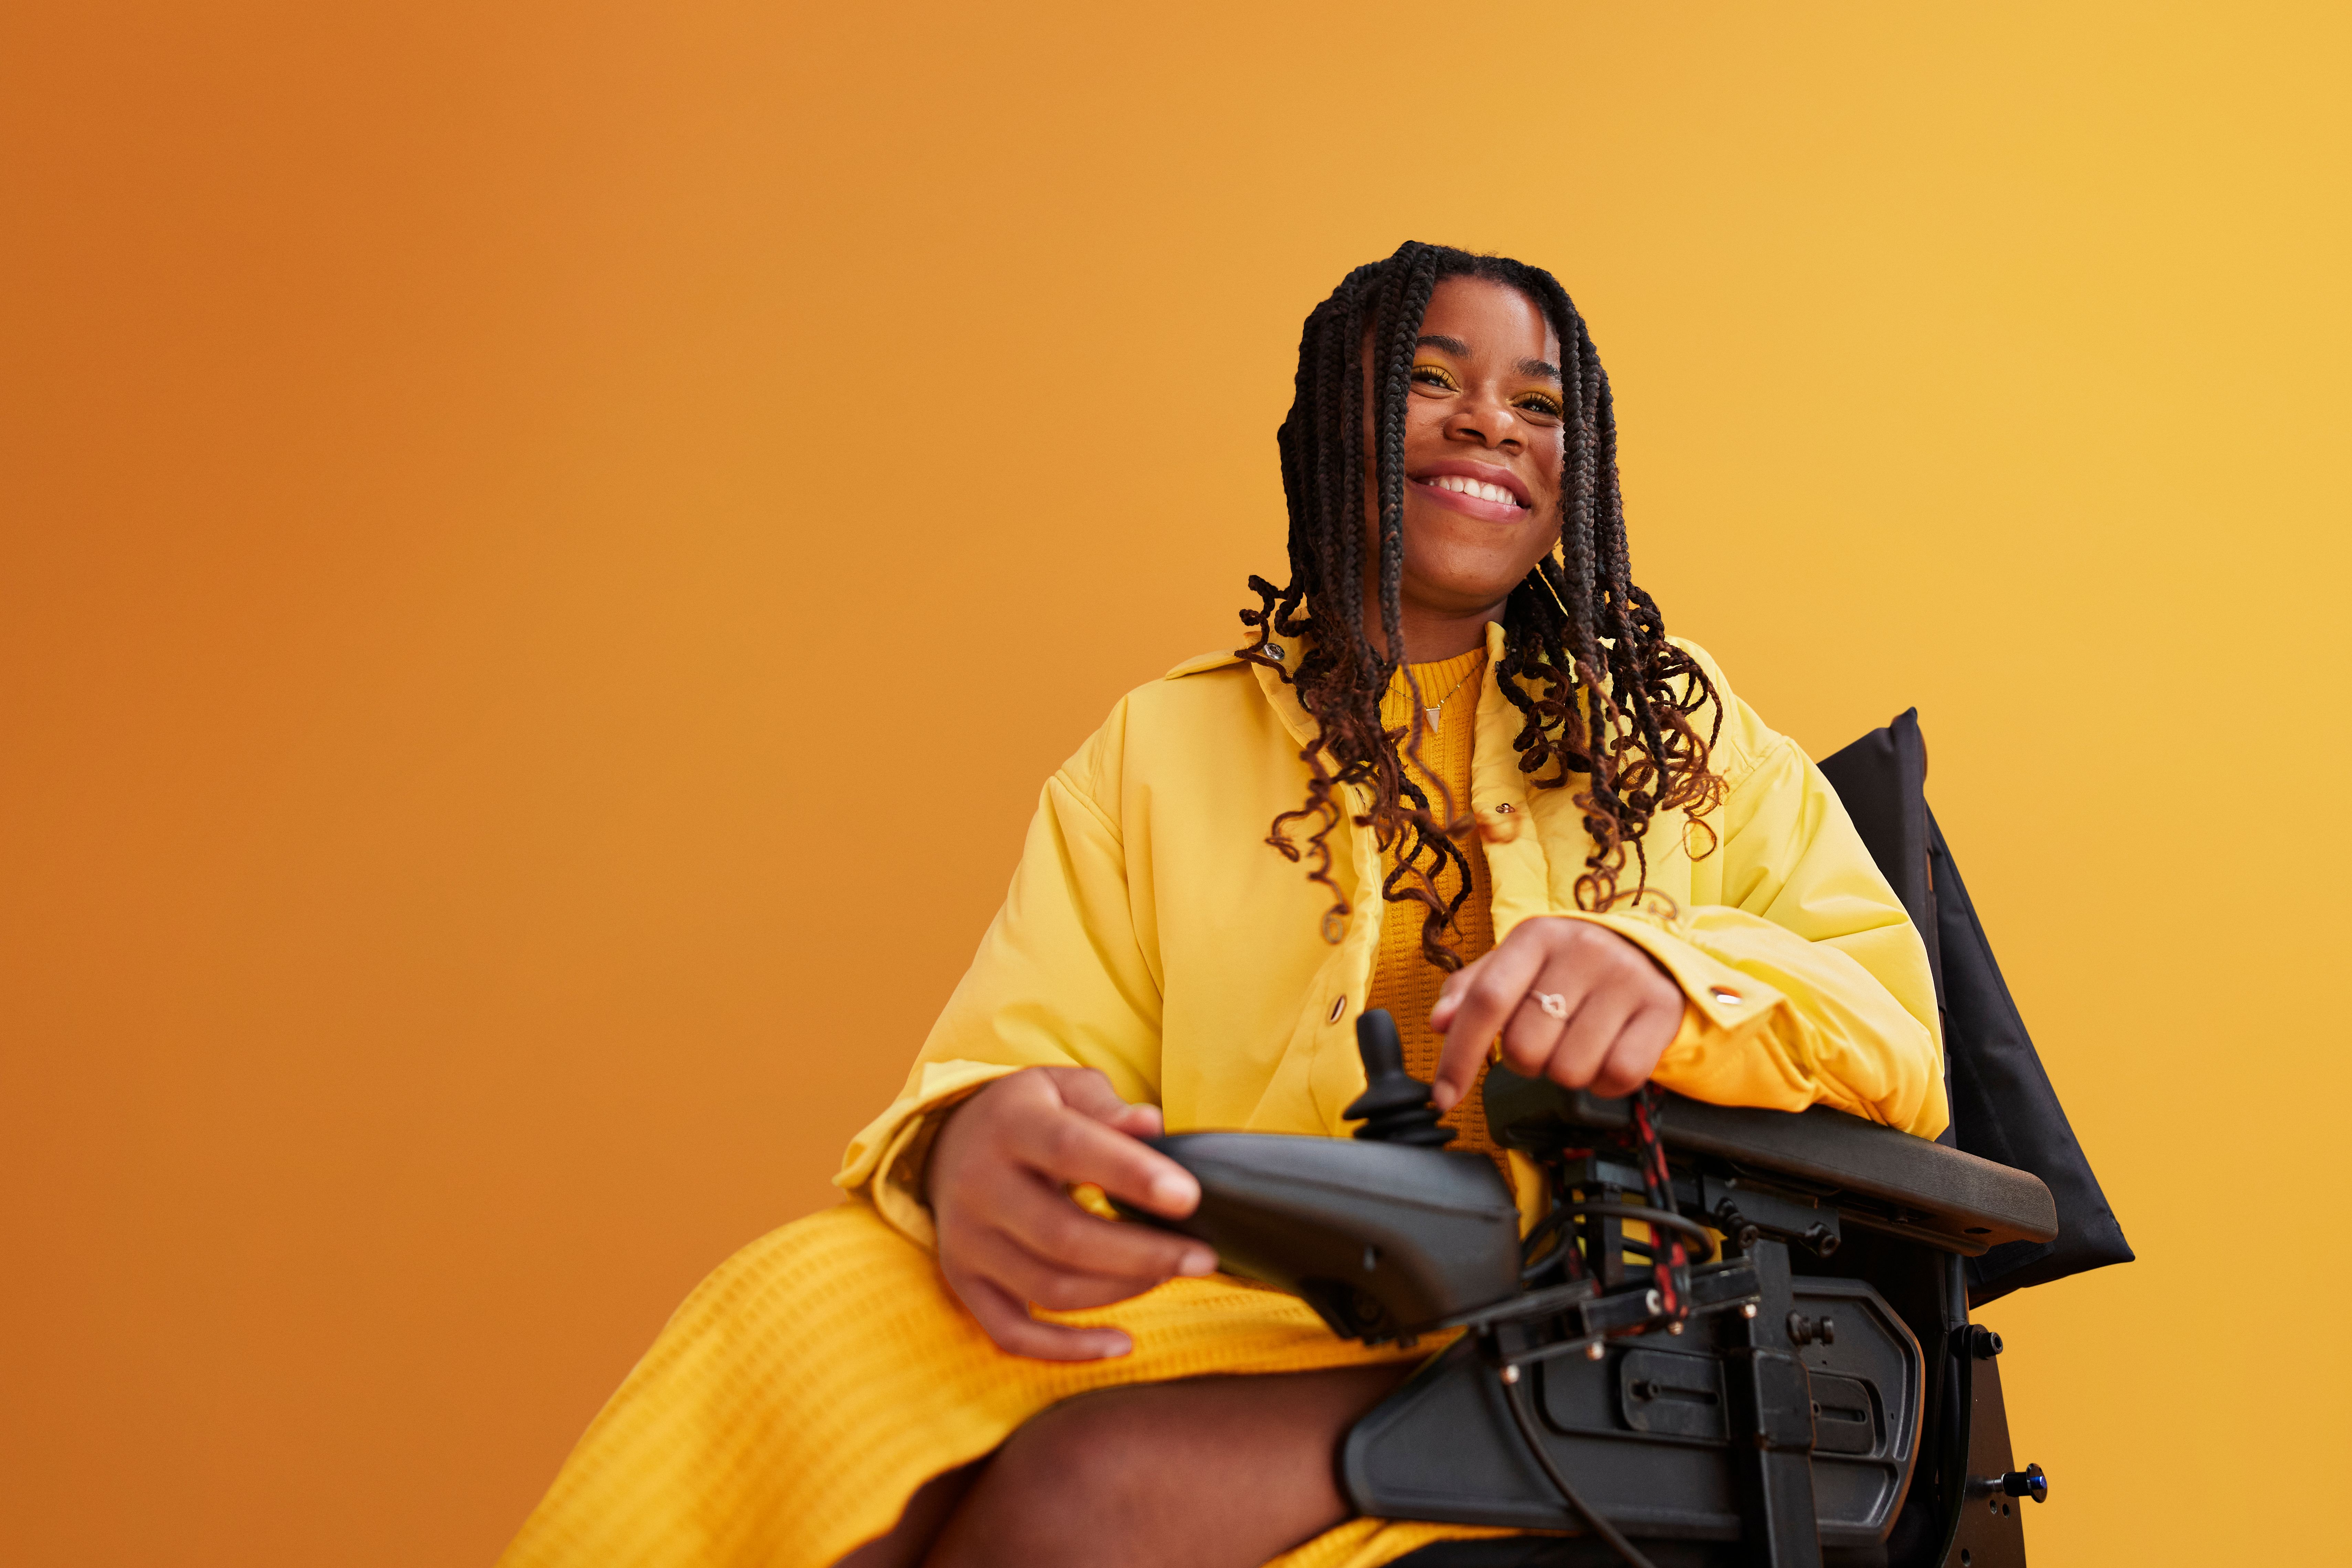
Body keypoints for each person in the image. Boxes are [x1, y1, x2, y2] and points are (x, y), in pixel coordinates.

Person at [497, 242, 1946, 1568]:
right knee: (804, 1329)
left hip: (1605, 1325)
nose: (1489, 422)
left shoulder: (1681, 744)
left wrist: (1669, 973)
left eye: (1538, 404)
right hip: (1271, 1295)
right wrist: (967, 1146)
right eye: (1429, 382)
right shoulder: (1159, 751)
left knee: (1086, 1497)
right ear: (1329, 437)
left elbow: (1891, 1029)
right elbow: (1030, 1056)